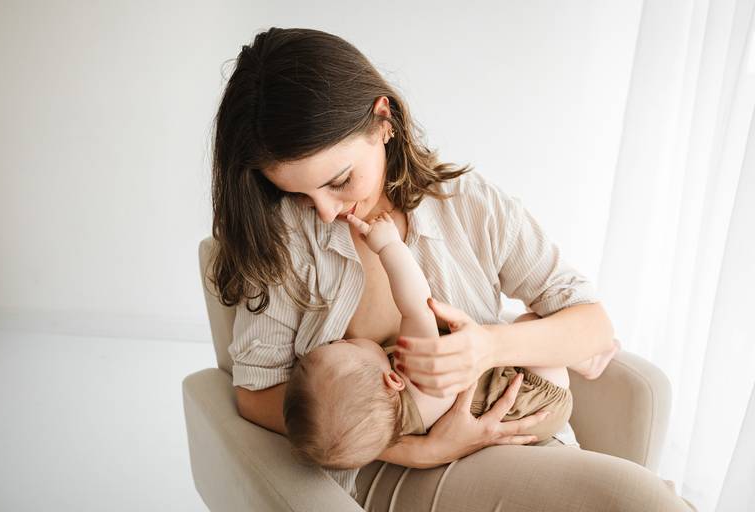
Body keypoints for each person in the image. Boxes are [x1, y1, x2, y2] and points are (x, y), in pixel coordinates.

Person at [211, 26, 694, 511]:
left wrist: (487, 346)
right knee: (638, 500)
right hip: (393, 471)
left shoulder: (468, 205)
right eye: (296, 193)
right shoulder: (285, 239)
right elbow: (255, 393)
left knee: (641, 498)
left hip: (518, 437)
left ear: (383, 120)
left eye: (339, 180)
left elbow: (591, 324)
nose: (325, 212)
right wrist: (417, 448)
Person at [282, 211, 621, 470]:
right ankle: (586, 359)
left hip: (529, 416)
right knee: (529, 321)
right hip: (538, 390)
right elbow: (415, 304)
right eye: (342, 347)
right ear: (392, 378)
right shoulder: (417, 373)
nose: (337, 341)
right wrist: (388, 247)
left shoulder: (390, 426)